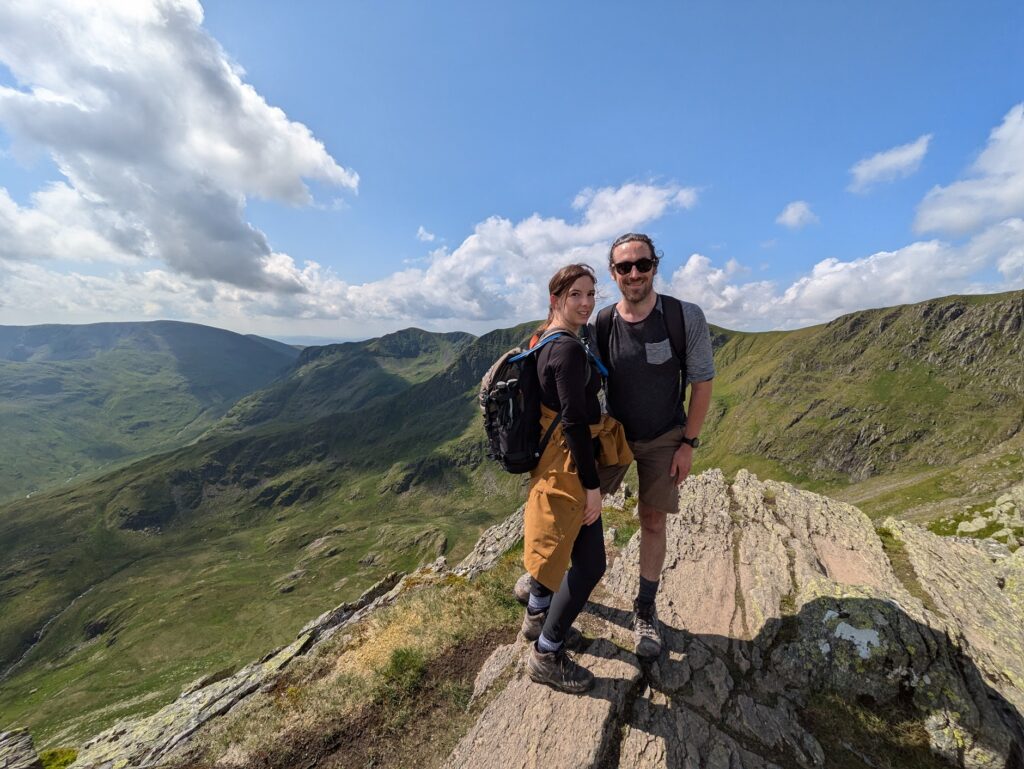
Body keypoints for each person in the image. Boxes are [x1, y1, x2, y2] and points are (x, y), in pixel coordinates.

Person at [596, 232, 715, 659]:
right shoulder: (603, 323)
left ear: (654, 267)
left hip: (664, 435)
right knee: (580, 506)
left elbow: (702, 383)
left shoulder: (684, 317)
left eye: (641, 264)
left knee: (652, 521)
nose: (633, 274)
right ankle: (549, 582)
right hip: (614, 433)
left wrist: (688, 444)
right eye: (624, 267)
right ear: (613, 274)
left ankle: (645, 610)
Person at [521, 263, 632, 694]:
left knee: (556, 541)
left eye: (590, 294)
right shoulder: (566, 350)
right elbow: (572, 424)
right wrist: (592, 488)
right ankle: (547, 653)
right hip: (569, 466)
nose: (586, 303)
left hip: (548, 463)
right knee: (590, 564)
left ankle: (537, 614)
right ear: (556, 300)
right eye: (575, 296)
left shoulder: (543, 337)